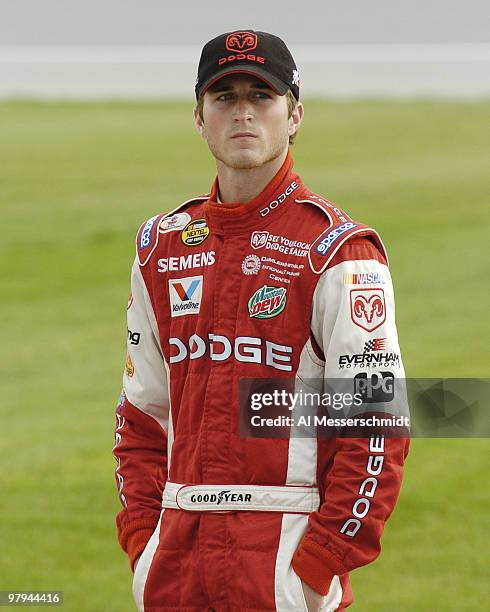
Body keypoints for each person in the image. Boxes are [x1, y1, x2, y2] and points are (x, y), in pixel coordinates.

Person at [113, 29, 410, 612]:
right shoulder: (161, 247)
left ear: (294, 114)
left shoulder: (337, 249)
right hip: (176, 563)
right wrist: (144, 541)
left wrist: (320, 563)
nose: (243, 113)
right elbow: (141, 415)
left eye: (262, 95)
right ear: (198, 116)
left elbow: (376, 424)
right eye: (225, 97)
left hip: (283, 566)